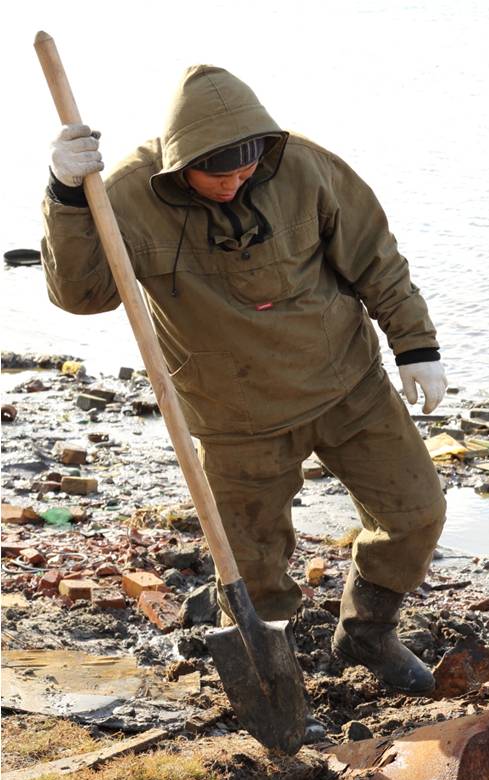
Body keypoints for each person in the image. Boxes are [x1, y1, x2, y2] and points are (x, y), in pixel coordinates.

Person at [42, 65, 447, 696]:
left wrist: (416, 344)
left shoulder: (307, 168)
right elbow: (82, 293)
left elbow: (377, 260)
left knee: (417, 512)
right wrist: (66, 195)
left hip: (347, 385)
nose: (234, 183)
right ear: (181, 167)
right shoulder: (122, 192)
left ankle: (367, 632)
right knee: (254, 570)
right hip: (233, 416)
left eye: (245, 170)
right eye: (218, 174)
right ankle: (273, 680)